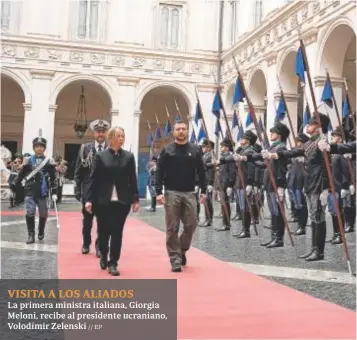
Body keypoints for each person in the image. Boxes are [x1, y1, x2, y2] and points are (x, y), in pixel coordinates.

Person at [265, 113, 331, 261]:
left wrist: (326, 188)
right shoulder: (309, 143)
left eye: (312, 123)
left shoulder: (322, 142)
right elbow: (295, 151)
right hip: (309, 184)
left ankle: (319, 251)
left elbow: (328, 166)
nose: (308, 125)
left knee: (319, 217)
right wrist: (276, 155)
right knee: (314, 217)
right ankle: (314, 248)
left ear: (319, 127)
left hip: (319, 184)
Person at [84, 126, 140, 276]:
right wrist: (89, 199)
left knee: (117, 232)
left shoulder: (129, 157)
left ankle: (113, 263)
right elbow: (93, 179)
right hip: (102, 200)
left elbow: (132, 179)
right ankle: (103, 253)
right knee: (103, 231)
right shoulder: (101, 156)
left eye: (123, 136)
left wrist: (135, 199)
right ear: (112, 137)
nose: (122, 138)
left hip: (122, 201)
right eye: (119, 136)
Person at [155, 120, 207, 272]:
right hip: (171, 193)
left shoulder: (195, 149)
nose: (181, 131)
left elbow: (202, 171)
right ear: (174, 132)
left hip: (190, 192)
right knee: (172, 227)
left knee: (191, 224)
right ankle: (175, 259)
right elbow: (159, 172)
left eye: (184, 129)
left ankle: (182, 249)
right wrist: (158, 192)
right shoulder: (167, 150)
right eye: (178, 129)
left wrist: (204, 190)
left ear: (187, 131)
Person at [236, 122, 290, 248]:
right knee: (273, 211)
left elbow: (281, 169)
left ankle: (278, 238)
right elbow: (264, 164)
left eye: (273, 132)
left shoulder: (281, 148)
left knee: (277, 211)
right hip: (269, 184)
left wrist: (281, 186)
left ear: (280, 135)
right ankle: (274, 236)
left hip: (276, 184)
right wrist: (247, 159)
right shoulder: (272, 148)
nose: (271, 134)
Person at [12, 136, 57, 244]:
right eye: (37, 146)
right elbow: (21, 174)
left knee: (43, 213)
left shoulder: (48, 161)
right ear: (34, 148)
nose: (39, 148)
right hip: (30, 190)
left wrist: (54, 192)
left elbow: (53, 177)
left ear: (44, 148)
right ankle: (31, 235)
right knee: (30, 213)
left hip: (42, 191)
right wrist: (14, 183)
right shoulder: (28, 161)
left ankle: (41, 230)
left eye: (41, 146)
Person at [74, 119, 109, 256]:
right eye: (98, 131)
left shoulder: (111, 148)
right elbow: (78, 171)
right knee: (87, 221)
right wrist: (77, 189)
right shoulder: (85, 149)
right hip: (88, 191)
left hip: (104, 192)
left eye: (103, 131)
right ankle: (86, 243)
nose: (100, 134)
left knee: (103, 221)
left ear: (106, 133)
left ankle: (100, 245)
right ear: (94, 133)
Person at [233, 130, 257, 238]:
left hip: (245, 181)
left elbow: (251, 168)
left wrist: (250, 183)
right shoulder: (243, 151)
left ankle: (246, 230)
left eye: (242, 138)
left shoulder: (249, 152)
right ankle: (244, 228)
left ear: (247, 140)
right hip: (240, 181)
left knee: (245, 207)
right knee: (242, 206)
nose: (240, 140)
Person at [287, 133, 309, 235]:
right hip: (293, 182)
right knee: (296, 204)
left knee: (301, 205)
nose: (298, 144)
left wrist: (306, 185)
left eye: (299, 142)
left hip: (301, 183)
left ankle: (302, 226)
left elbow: (307, 172)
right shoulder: (294, 152)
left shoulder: (306, 153)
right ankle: (299, 224)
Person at [215, 138, 236, 231]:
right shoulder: (223, 156)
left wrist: (230, 185)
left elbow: (232, 171)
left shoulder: (229, 157)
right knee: (223, 203)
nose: (221, 148)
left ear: (227, 147)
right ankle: (225, 223)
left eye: (222, 146)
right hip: (222, 183)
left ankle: (227, 224)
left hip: (226, 183)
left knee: (225, 203)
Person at [199, 139, 215, 227]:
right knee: (205, 201)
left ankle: (209, 219)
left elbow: (211, 171)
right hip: (204, 181)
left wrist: (210, 183)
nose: (202, 148)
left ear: (209, 147)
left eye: (204, 146)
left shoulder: (210, 156)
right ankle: (207, 218)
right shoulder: (204, 156)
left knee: (208, 201)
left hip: (208, 181)